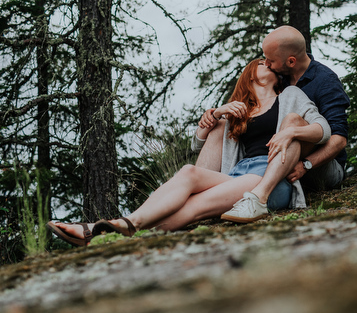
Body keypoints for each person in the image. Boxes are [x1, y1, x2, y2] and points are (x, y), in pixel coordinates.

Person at [46, 58, 331, 247]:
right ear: (250, 75)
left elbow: (323, 129)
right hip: (236, 176)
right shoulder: (237, 110)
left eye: (269, 63)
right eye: (261, 62)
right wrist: (218, 114)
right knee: (189, 172)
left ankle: (104, 229)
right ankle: (112, 230)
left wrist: (291, 131)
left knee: (195, 206)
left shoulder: (291, 96)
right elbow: (198, 146)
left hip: (270, 178)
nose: (267, 63)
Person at [198, 26, 350, 223]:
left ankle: (257, 197)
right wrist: (214, 114)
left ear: (291, 61)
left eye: (270, 60)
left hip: (318, 166)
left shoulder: (325, 81)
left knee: (292, 122)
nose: (267, 64)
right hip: (278, 162)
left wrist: (306, 165)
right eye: (265, 60)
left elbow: (339, 140)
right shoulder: (279, 79)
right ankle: (199, 194)